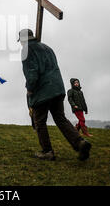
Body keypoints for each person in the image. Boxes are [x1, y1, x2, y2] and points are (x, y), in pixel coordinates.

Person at [18, 28, 92, 161]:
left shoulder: (26, 50)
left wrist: (30, 88)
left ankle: (47, 151)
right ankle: (80, 142)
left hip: (42, 90)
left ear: (23, 40)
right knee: (60, 118)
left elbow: (32, 72)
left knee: (39, 121)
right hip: (57, 88)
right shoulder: (47, 47)